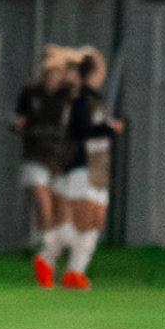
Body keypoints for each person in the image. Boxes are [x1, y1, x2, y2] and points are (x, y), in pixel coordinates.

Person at [47, 46, 122, 290]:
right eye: (101, 70)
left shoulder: (94, 100)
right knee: (83, 223)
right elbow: (80, 131)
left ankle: (75, 272)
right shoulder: (81, 99)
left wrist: (106, 127)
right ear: (95, 73)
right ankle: (48, 255)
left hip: (99, 167)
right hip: (82, 166)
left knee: (96, 222)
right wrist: (109, 129)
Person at [15, 47, 78, 288]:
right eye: (46, 68)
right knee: (44, 208)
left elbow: (84, 62)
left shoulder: (68, 94)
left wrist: (63, 54)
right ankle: (45, 263)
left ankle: (48, 259)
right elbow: (20, 117)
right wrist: (18, 125)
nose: (48, 72)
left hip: (60, 158)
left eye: (54, 69)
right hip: (35, 155)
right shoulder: (30, 92)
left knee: (62, 216)